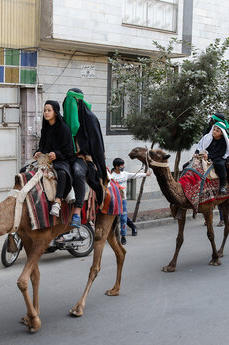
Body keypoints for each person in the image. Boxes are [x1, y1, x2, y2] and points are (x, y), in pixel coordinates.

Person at [63, 88, 107, 227]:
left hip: (83, 158)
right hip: (64, 156)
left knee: (77, 172)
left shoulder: (90, 119)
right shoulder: (64, 120)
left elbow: (97, 145)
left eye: (72, 102)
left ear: (78, 102)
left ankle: (76, 212)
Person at [35, 100, 74, 218]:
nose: (46, 113)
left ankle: (57, 202)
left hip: (62, 159)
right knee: (24, 170)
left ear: (55, 112)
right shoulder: (45, 128)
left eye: (49, 110)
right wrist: (38, 152)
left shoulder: (64, 128)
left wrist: (57, 154)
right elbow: (42, 145)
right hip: (46, 160)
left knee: (62, 173)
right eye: (44, 110)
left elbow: (69, 150)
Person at [110, 158, 150, 245]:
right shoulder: (111, 177)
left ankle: (123, 236)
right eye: (121, 165)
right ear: (116, 167)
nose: (123, 167)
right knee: (115, 219)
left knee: (123, 218)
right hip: (115, 201)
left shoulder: (125, 174)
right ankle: (113, 236)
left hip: (123, 200)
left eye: (123, 165)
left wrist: (145, 174)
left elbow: (135, 175)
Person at [196, 121, 229, 195]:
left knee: (221, 164)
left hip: (217, 157)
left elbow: (220, 153)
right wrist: (197, 153)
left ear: (221, 133)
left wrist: (209, 156)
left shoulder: (224, 141)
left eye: (217, 131)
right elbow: (200, 147)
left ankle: (223, 185)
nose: (214, 132)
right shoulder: (207, 138)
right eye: (214, 129)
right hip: (203, 156)